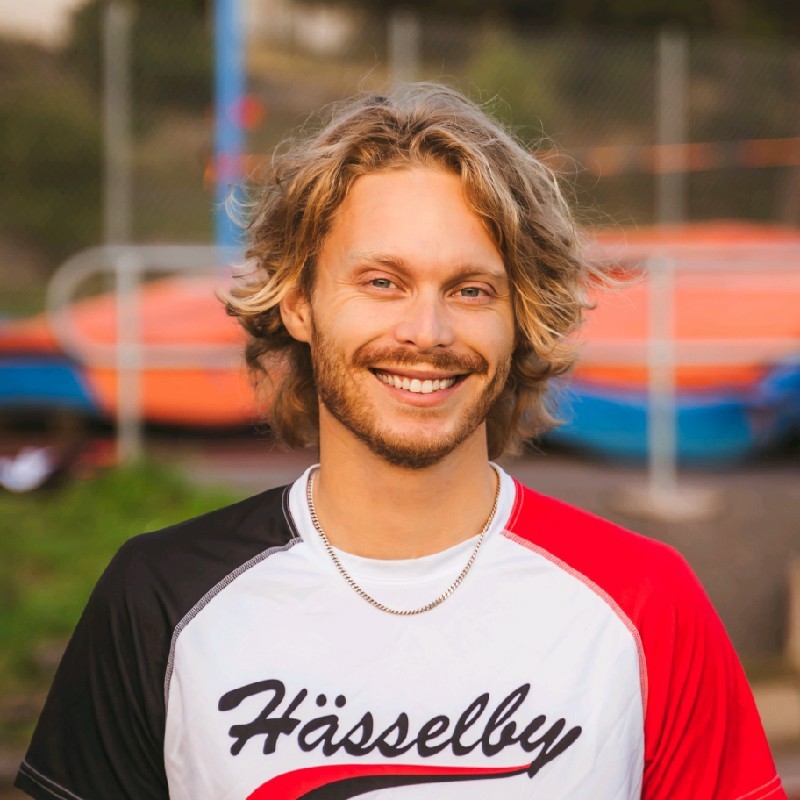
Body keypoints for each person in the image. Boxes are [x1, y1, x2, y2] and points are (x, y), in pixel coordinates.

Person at [16, 84, 786, 800]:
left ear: (520, 318)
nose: (428, 332)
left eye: (471, 290)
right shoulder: (160, 597)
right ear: (299, 302)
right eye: (382, 282)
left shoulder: (649, 603)